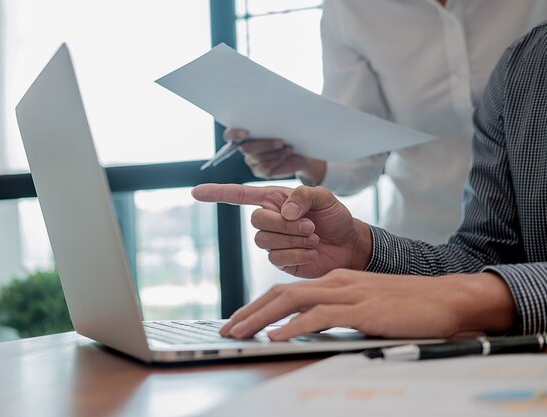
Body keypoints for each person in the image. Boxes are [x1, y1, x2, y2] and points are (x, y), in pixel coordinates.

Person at [192, 22, 547, 340]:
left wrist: (478, 296)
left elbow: (484, 285)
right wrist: (360, 248)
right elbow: (487, 259)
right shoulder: (520, 66)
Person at [226, 0, 547, 244]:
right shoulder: (351, 9)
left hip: (537, 239)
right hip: (427, 242)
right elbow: (357, 156)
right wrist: (306, 159)